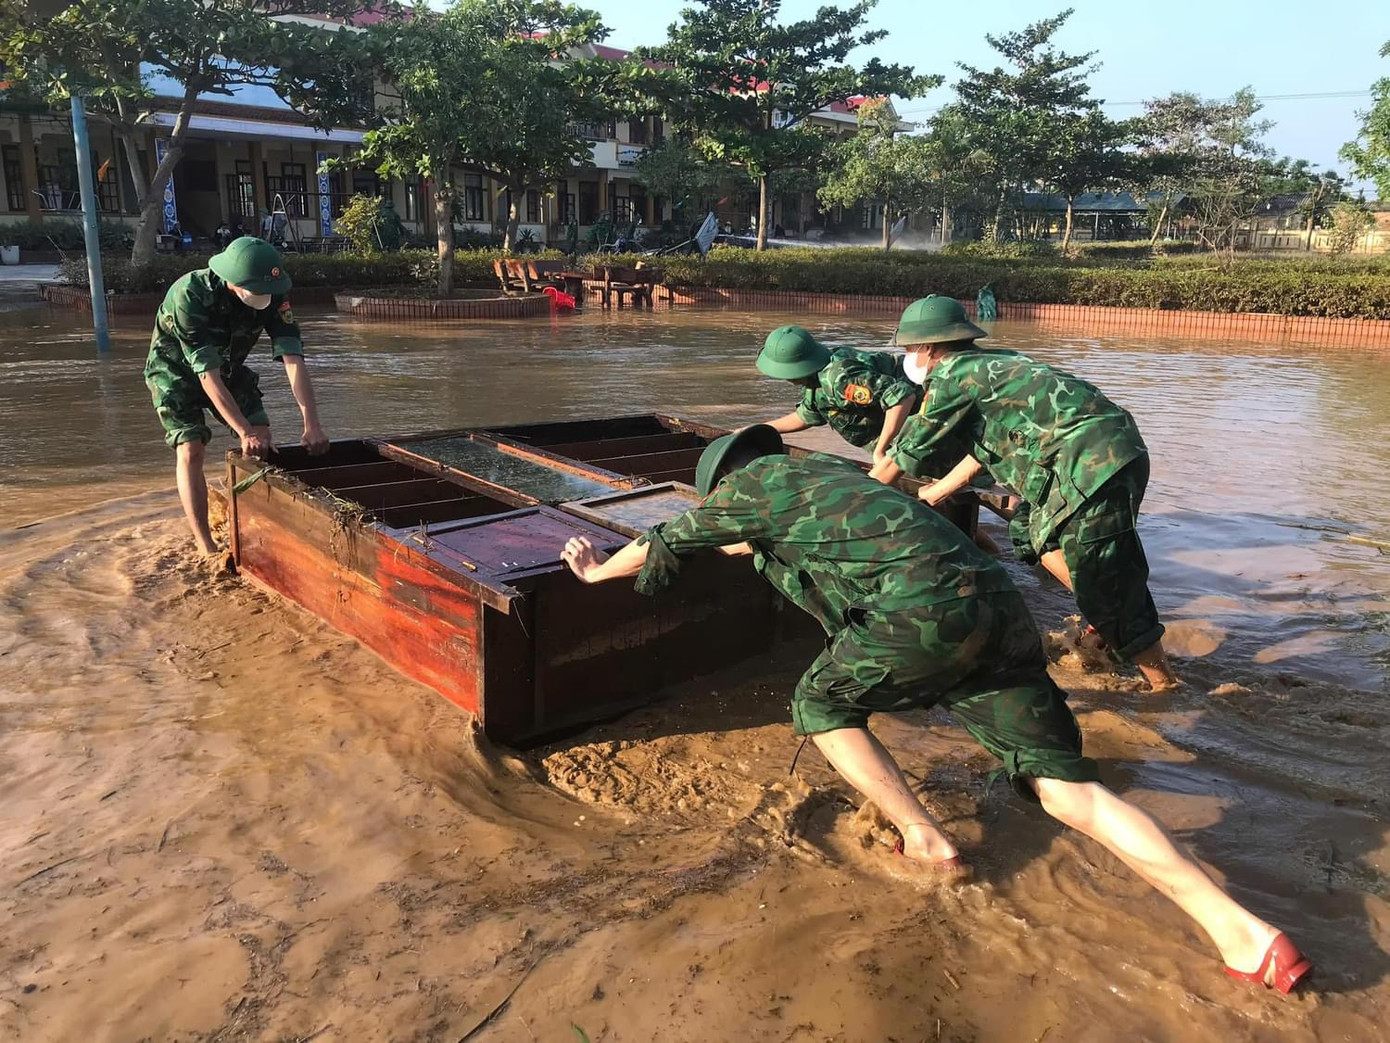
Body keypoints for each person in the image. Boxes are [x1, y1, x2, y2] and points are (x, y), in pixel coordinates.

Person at [559, 427, 1312, 995]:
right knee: (1068, 789)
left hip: (919, 616)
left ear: (727, 482)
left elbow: (668, 540)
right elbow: (769, 551)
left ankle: (923, 837)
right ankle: (1244, 933)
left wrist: (595, 574)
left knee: (818, 700)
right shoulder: (831, 477)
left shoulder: (747, 490)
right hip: (999, 609)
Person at [868, 296, 1178, 691]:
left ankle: (1165, 686)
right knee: (1031, 528)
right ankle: (1102, 619)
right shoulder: (993, 365)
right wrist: (938, 491)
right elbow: (985, 451)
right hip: (1111, 452)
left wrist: (854, 501)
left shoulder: (951, 377)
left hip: (1089, 464)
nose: (909, 357)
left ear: (928, 348)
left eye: (910, 349)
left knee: (1107, 584)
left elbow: (904, 455)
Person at [144, 236, 329, 556]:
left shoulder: (275, 295)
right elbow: (206, 375)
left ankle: (251, 525)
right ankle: (206, 545)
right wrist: (242, 430)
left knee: (262, 439)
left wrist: (311, 423)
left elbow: (293, 359)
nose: (265, 298)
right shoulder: (191, 294)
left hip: (228, 367)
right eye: (257, 292)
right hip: (176, 372)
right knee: (191, 448)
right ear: (233, 281)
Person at [754, 325, 920, 468]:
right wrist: (757, 429)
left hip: (921, 417)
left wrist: (881, 450)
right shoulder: (816, 377)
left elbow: (902, 396)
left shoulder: (839, 381)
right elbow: (806, 416)